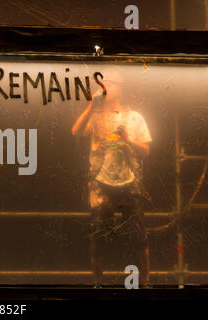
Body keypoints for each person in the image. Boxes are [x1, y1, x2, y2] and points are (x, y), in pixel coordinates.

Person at [71, 80, 152, 288]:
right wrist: (91, 105)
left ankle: (145, 283)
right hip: (101, 183)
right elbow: (76, 132)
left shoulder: (134, 118)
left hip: (130, 183)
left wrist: (127, 140)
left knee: (138, 238)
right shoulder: (96, 117)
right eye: (103, 83)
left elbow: (146, 151)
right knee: (98, 238)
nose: (105, 87)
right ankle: (98, 284)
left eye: (110, 83)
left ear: (121, 89)